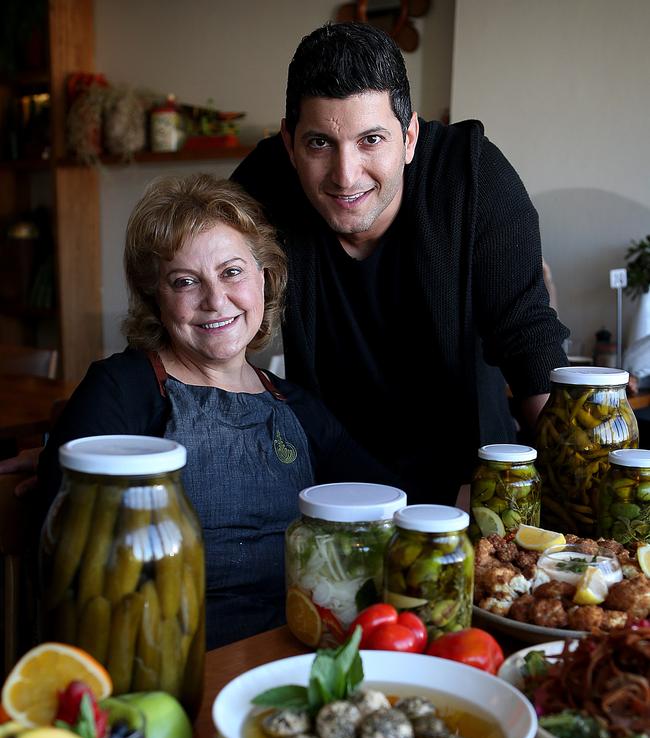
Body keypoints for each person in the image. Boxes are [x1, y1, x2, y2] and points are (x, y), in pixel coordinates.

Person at [36, 174, 396, 649]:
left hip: (298, 649)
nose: (215, 300)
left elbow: (388, 507)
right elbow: (69, 546)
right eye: (185, 281)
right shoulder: (122, 389)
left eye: (232, 272)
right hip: (173, 661)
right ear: (155, 298)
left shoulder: (297, 406)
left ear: (264, 278)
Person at [233, 21, 570, 505]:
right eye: (319, 144)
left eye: (371, 140)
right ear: (289, 144)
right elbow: (201, 325)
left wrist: (585, 503)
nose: (346, 176)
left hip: (467, 490)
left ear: (409, 136)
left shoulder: (474, 181)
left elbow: (530, 343)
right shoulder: (260, 189)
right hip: (332, 490)